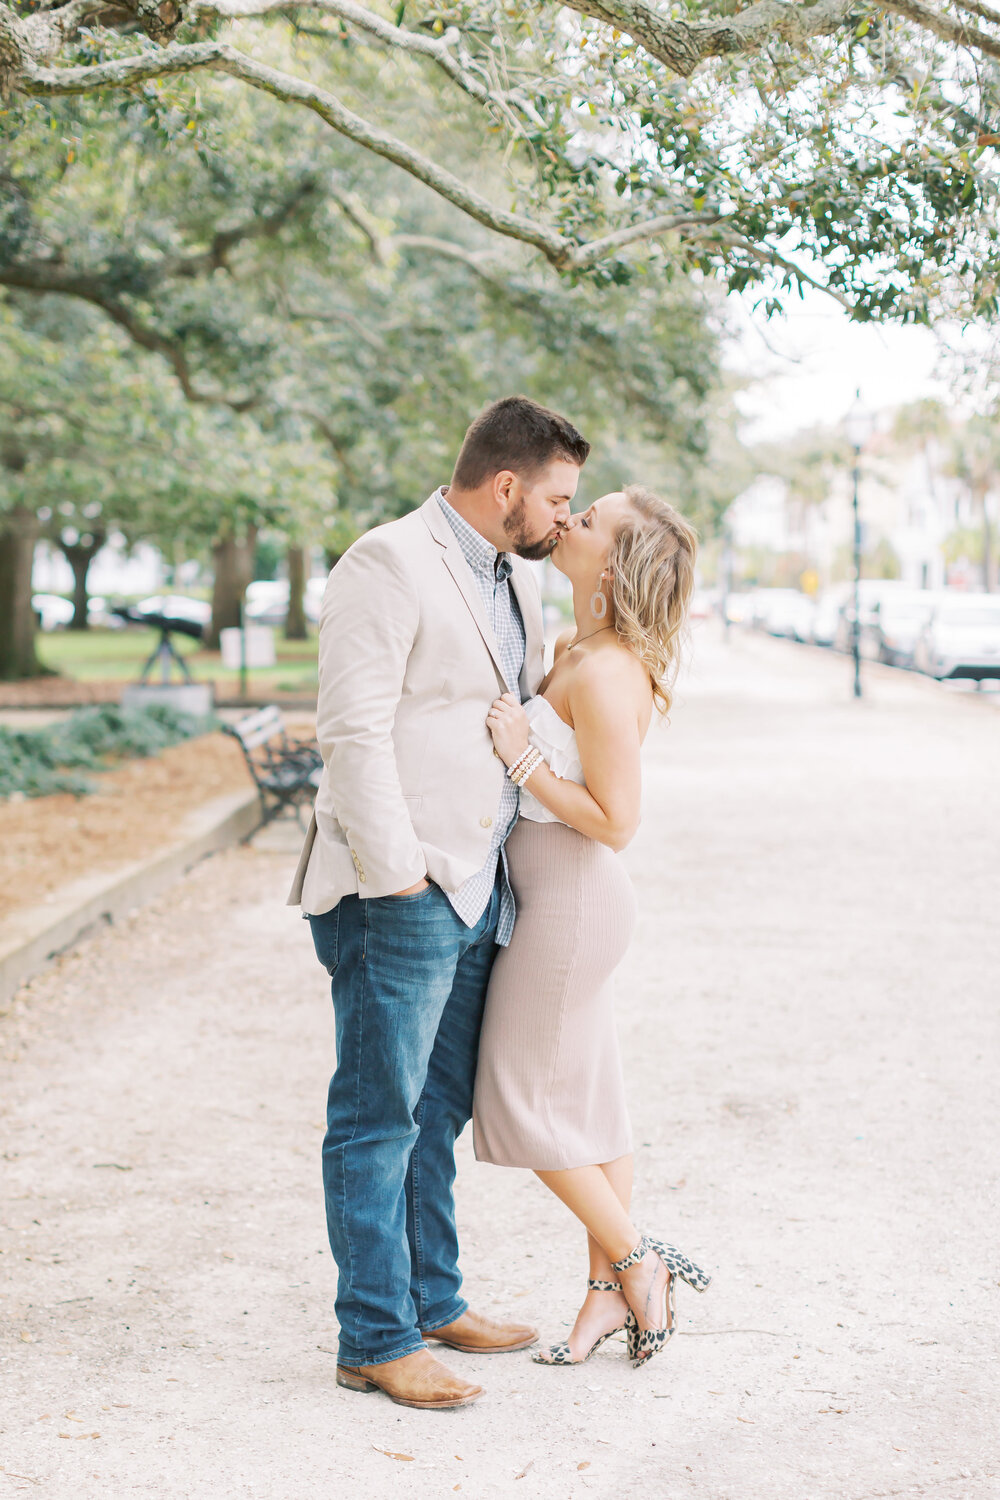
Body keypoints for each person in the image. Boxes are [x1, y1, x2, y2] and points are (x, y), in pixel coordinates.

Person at [288, 396, 591, 1410]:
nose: (561, 518)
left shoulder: (516, 576)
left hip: (481, 887)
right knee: (376, 1120)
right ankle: (372, 1337)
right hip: (402, 890)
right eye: (555, 498)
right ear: (505, 486)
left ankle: (433, 1299)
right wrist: (399, 873)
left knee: (436, 1113)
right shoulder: (386, 561)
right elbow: (353, 731)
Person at [473, 484, 712, 1368]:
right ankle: (604, 1300)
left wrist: (522, 757)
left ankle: (642, 1263)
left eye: (591, 518)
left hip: (572, 904)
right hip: (559, 898)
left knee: (516, 1097)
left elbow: (616, 820)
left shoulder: (609, 670)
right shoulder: (584, 646)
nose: (568, 520)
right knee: (592, 1108)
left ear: (613, 564)